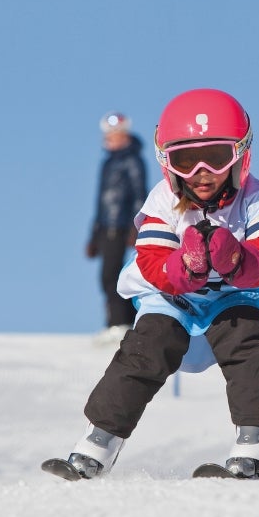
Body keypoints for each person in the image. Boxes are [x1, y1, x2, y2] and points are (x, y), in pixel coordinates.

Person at [49, 88, 259, 480]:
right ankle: (100, 440)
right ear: (167, 163)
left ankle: (256, 440)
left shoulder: (255, 198)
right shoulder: (162, 201)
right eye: (185, 161)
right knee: (145, 347)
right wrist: (184, 268)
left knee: (248, 342)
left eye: (214, 158)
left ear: (240, 156)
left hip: (233, 294)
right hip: (173, 298)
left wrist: (238, 259)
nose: (201, 174)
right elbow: (151, 259)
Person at [87, 111, 149, 346]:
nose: (110, 139)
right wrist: (94, 234)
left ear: (124, 136)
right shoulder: (108, 163)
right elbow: (102, 202)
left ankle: (121, 323)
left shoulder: (132, 160)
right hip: (105, 225)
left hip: (122, 225)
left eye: (115, 135)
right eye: (108, 135)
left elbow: (138, 195)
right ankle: (117, 322)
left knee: (114, 275)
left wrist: (136, 227)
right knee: (106, 276)